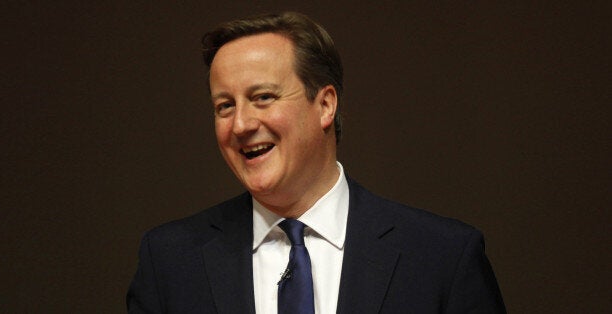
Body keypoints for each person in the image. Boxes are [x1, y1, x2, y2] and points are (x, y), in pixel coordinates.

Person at [127, 12, 506, 313]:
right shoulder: (170, 262)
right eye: (224, 106)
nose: (240, 124)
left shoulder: (442, 257)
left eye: (262, 97)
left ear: (325, 104)